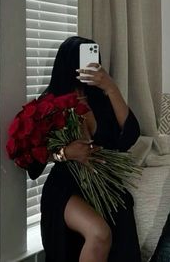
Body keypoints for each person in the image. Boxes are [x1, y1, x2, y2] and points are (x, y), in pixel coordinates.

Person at [27, 36, 141, 262]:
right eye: (84, 59)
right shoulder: (49, 104)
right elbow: (33, 163)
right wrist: (65, 153)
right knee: (99, 232)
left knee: (117, 231)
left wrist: (110, 86)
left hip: (101, 184)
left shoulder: (100, 99)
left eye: (94, 58)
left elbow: (130, 136)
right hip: (65, 186)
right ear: (68, 64)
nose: (90, 64)